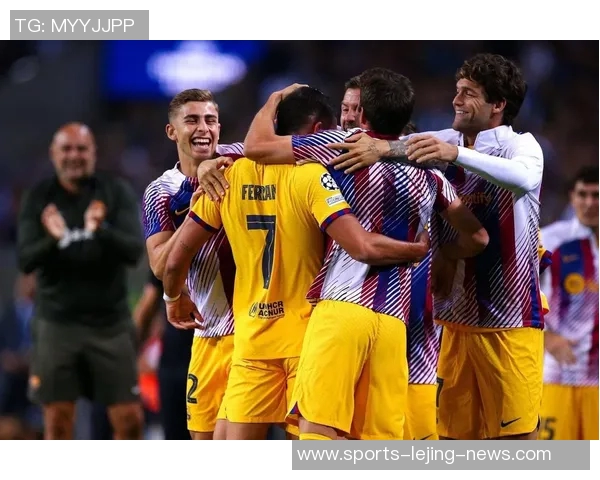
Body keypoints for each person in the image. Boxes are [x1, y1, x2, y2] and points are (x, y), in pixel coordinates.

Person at [162, 85, 431, 441]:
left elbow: (174, 260)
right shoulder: (313, 177)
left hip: (252, 341)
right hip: (306, 339)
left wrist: (173, 296)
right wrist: (416, 249)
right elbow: (361, 245)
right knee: (310, 448)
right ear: (318, 131)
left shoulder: (226, 175)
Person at [242, 70, 488, 440]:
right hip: (392, 326)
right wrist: (445, 255)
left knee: (319, 431)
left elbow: (255, 147)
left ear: (364, 115)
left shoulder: (342, 144)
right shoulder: (432, 177)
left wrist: (275, 98)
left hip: (341, 310)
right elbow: (479, 237)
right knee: (376, 448)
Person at [327, 53, 546, 440]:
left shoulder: (520, 146)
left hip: (509, 323)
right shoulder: (443, 142)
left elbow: (524, 179)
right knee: (451, 441)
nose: (456, 100)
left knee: (515, 446)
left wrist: (455, 155)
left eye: (469, 93)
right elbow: (394, 145)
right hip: (453, 322)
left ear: (498, 104)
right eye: (457, 90)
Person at [16, 122, 145, 440]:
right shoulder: (39, 198)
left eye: (81, 148)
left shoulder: (115, 192)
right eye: (67, 149)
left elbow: (134, 251)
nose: (74, 155)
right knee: (58, 419)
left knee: (130, 419)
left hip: (110, 325)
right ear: (53, 153)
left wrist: (102, 230)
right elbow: (25, 260)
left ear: (93, 153)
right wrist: (53, 239)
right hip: (57, 324)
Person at [142, 88, 243, 440]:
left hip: (252, 331)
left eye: (211, 120)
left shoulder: (240, 161)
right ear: (172, 131)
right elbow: (160, 266)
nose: (203, 128)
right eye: (192, 120)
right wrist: (194, 215)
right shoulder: (162, 191)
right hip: (207, 334)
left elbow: (295, 144)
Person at [538, 165, 598, 441]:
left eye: (597, 196)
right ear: (572, 197)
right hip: (558, 374)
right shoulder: (550, 240)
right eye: (583, 194)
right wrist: (546, 337)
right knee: (558, 460)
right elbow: (517, 294)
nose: (589, 203)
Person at [133, 270, 192, 440]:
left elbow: (146, 309)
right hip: (174, 362)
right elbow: (146, 308)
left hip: (209, 358)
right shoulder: (165, 261)